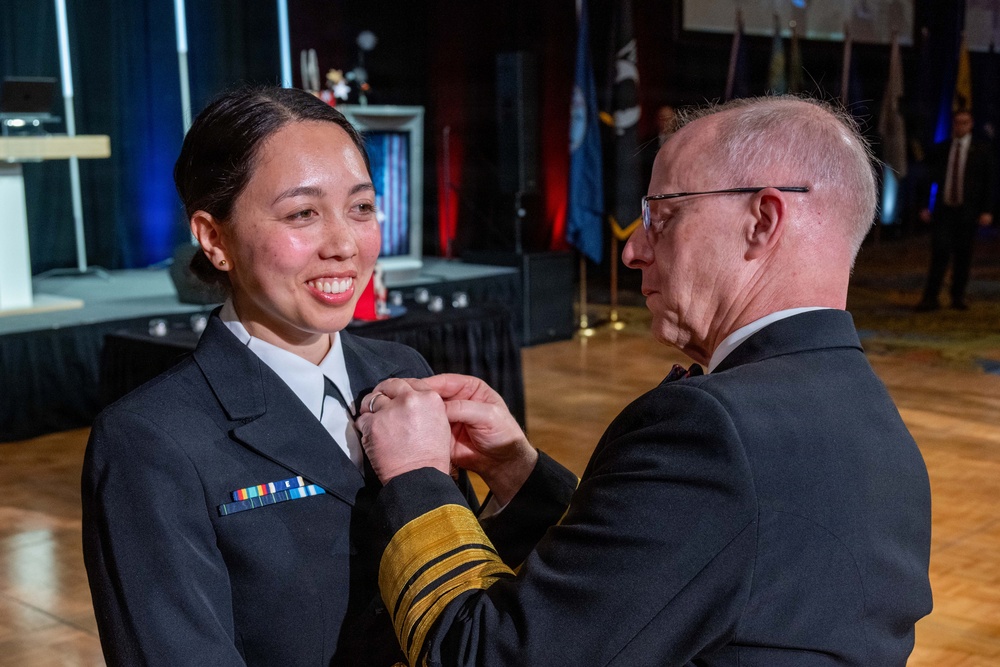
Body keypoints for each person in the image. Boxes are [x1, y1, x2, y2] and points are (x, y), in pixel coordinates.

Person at [356, 96, 933, 666]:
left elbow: (489, 655)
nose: (632, 249)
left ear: (761, 221)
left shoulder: (713, 430)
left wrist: (417, 477)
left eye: (663, 216)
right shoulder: (870, 415)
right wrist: (515, 470)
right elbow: (647, 586)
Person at [81, 86, 481, 666]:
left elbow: (464, 586)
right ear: (214, 239)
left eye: (361, 207)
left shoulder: (403, 374)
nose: (344, 244)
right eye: (302, 214)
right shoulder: (150, 442)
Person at [915, 108, 995, 311]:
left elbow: (989, 183)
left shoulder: (982, 151)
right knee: (940, 252)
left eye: (964, 122)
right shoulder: (942, 149)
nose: (960, 126)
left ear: (971, 124)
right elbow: (929, 179)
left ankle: (957, 296)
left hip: (968, 212)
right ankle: (930, 297)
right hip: (944, 211)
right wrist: (925, 205)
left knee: (963, 255)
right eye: (957, 122)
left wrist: (987, 210)